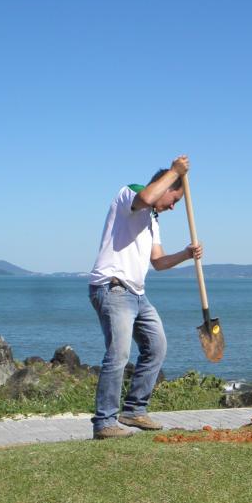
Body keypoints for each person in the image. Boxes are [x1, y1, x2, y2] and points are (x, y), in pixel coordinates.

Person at [88, 155, 202, 439]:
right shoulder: (130, 194)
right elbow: (149, 196)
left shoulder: (153, 219)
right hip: (113, 288)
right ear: (164, 185)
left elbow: (159, 262)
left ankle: (134, 409)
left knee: (156, 346)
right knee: (118, 354)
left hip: (137, 294)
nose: (174, 206)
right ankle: (104, 423)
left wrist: (186, 255)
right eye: (174, 199)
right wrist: (175, 171)